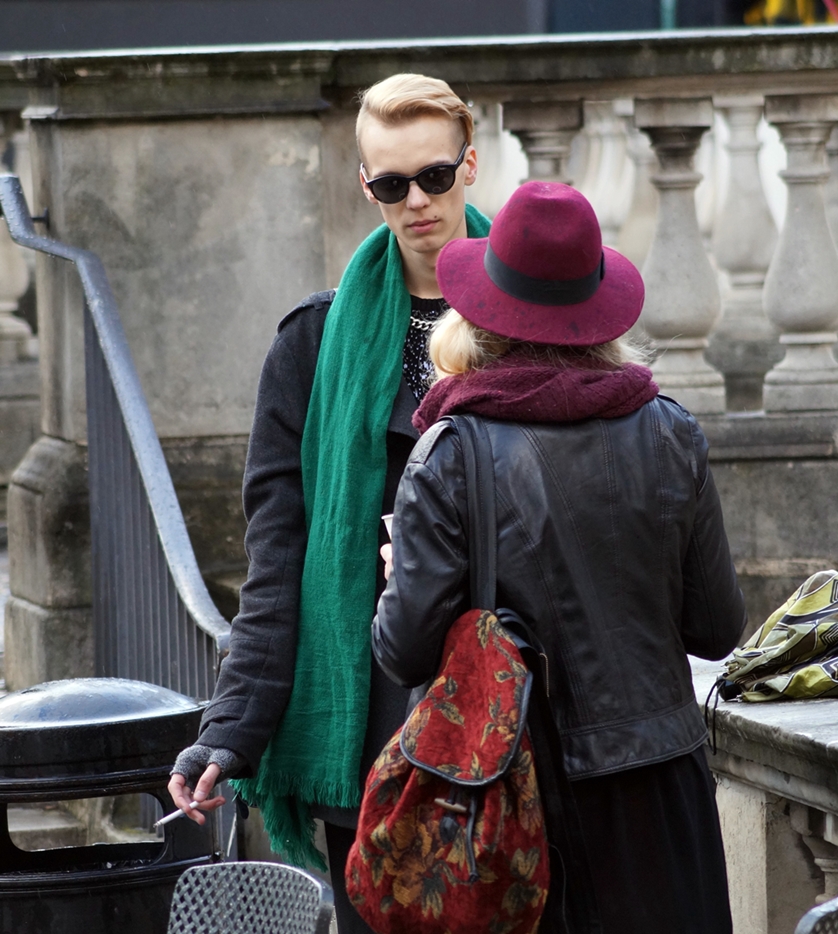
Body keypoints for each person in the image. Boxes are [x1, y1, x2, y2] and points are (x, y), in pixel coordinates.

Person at [372, 181, 747, 934]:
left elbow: (403, 650)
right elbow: (716, 629)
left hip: (520, 805)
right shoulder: (670, 431)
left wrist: (395, 579)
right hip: (665, 794)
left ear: (481, 312)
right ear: (596, 310)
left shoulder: (450, 452)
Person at [166, 73, 487, 930]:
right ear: (365, 186)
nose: (416, 201)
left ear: (470, 165)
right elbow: (278, 560)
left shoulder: (536, 325)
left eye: (435, 176)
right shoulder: (311, 345)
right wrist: (228, 731)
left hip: (505, 716)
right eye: (391, 184)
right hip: (369, 722)